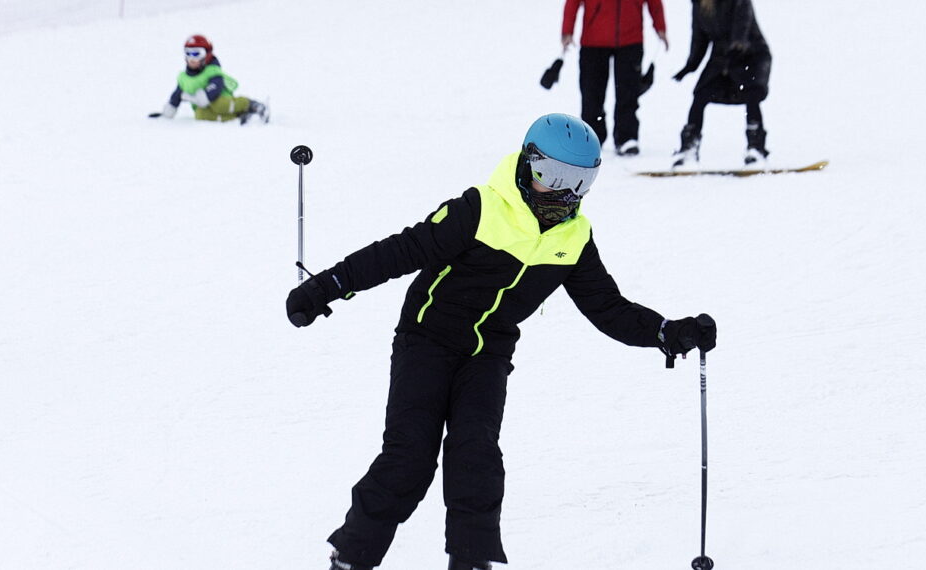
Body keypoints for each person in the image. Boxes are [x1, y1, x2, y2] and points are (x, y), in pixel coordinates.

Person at [286, 113, 717, 570]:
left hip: (488, 353)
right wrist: (328, 285)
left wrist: (666, 331)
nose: (567, 192)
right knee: (409, 458)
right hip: (427, 339)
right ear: (530, 165)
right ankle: (352, 557)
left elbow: (606, 306)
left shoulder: (573, 237)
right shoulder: (480, 209)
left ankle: (471, 562)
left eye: (581, 180)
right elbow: (400, 251)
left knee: (477, 457)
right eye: (555, 176)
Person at [561, 0, 669, 157]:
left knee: (628, 93)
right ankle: (592, 137)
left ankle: (627, 138)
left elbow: (655, 2)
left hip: (631, 40)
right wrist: (567, 31)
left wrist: (660, 27)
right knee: (591, 93)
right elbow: (572, 2)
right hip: (594, 40)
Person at [671, 0, 771, 167]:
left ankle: (756, 150)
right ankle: (689, 149)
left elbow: (743, 22)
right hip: (722, 57)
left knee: (750, 94)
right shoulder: (699, 5)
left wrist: (737, 45)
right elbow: (699, 38)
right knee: (700, 95)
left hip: (751, 54)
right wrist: (691, 65)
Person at [150, 35, 269, 124]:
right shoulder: (183, 78)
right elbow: (176, 95)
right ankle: (237, 118)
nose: (191, 58)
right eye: (188, 53)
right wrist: (168, 112)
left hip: (219, 99)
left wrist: (204, 96)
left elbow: (216, 86)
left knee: (219, 105)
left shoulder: (212, 71)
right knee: (200, 115)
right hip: (202, 107)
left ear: (206, 55)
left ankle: (251, 105)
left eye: (196, 54)